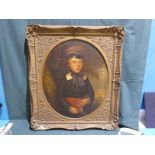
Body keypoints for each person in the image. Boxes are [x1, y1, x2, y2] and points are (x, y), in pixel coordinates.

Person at [58, 52, 95, 117]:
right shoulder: (65, 79)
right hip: (67, 112)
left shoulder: (84, 78)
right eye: (74, 62)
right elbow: (59, 96)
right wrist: (68, 108)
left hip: (82, 109)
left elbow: (91, 92)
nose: (78, 65)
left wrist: (88, 99)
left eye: (80, 62)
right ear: (68, 64)